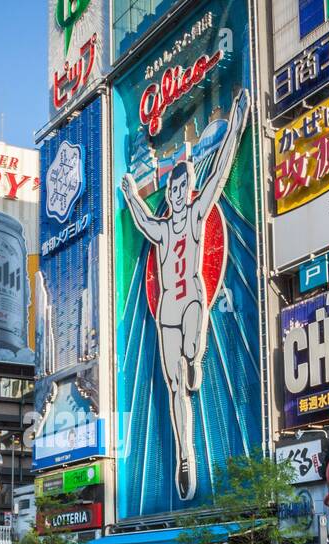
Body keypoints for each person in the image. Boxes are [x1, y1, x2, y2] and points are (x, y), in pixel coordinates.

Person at [119, 87, 250, 500]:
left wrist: (238, 124)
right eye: (172, 192)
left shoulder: (195, 215)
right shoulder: (161, 230)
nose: (175, 196)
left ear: (186, 190)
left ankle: (195, 360)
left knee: (193, 351)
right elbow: (141, 218)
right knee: (177, 389)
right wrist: (128, 192)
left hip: (192, 300)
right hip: (167, 313)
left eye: (181, 189)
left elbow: (219, 174)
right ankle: (184, 454)